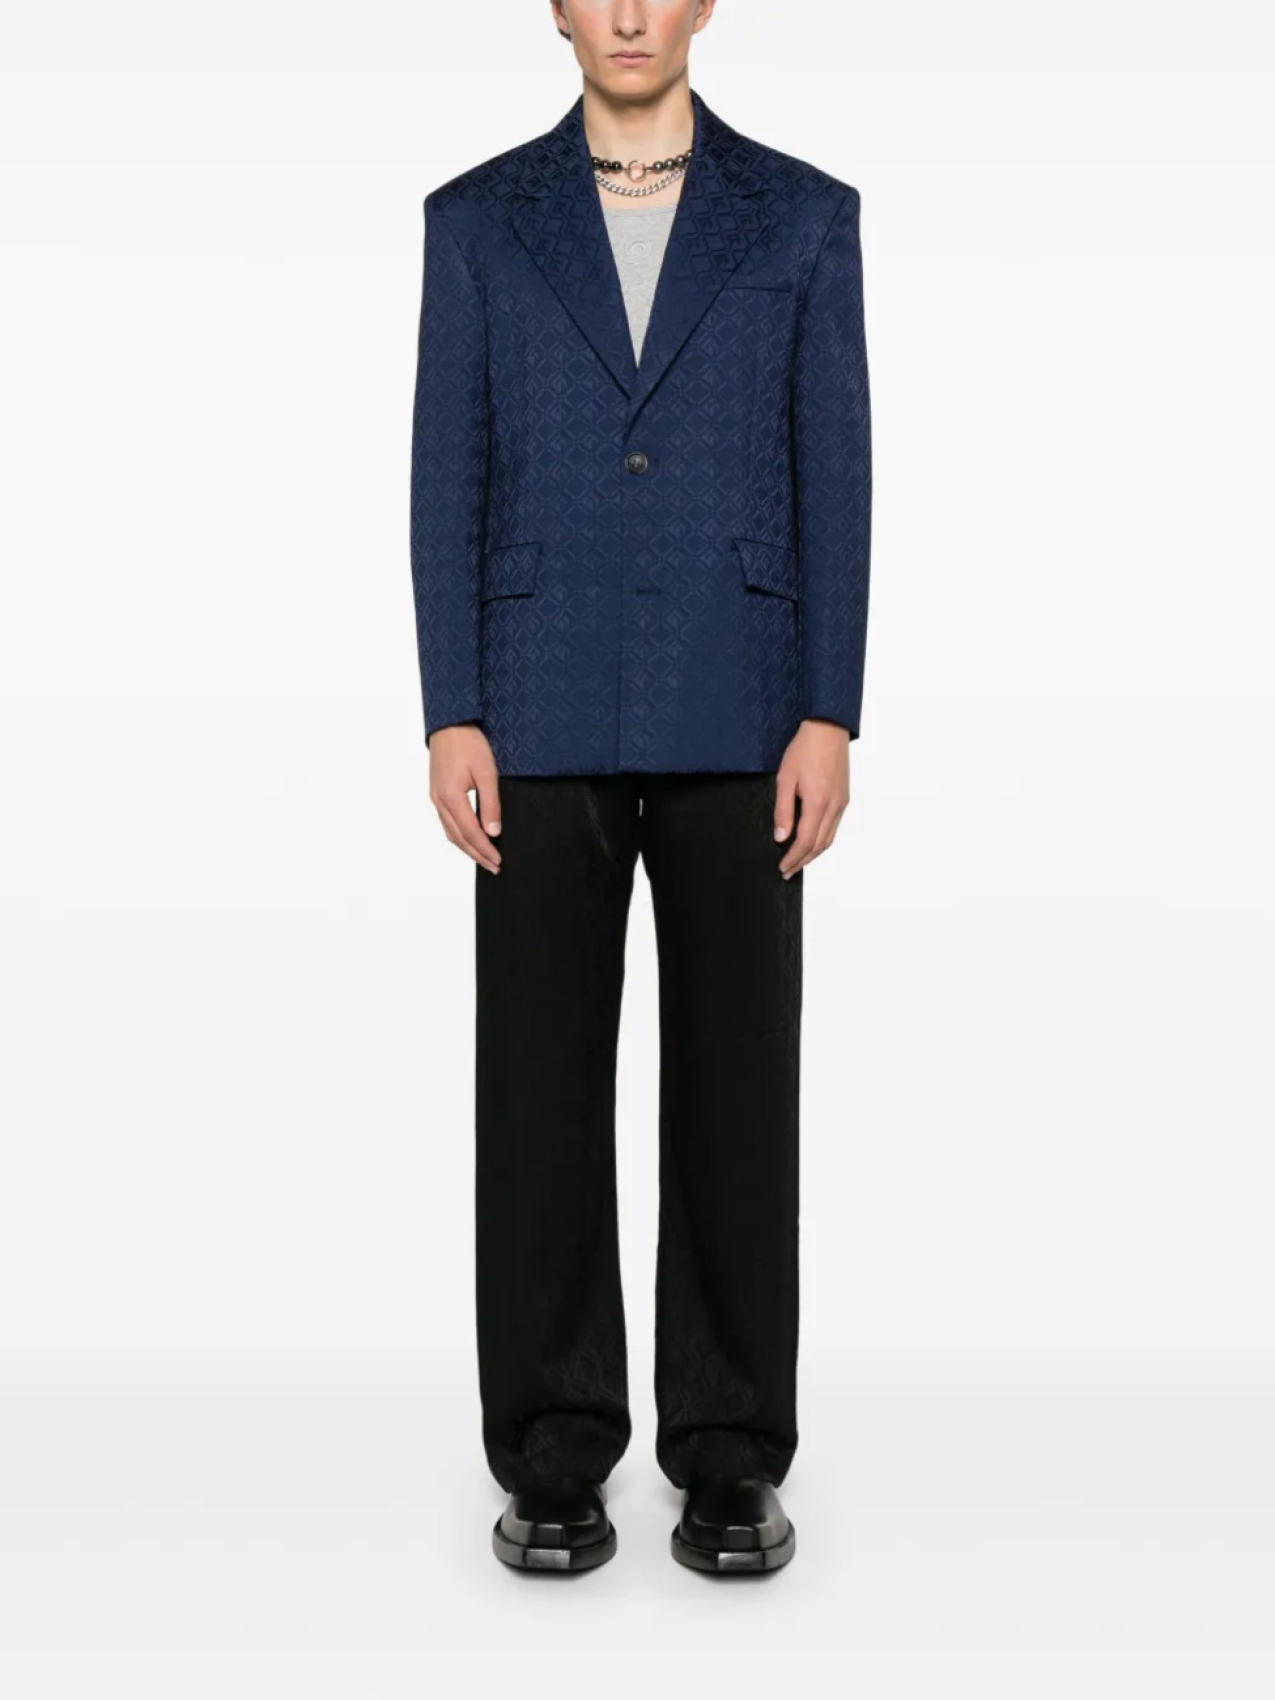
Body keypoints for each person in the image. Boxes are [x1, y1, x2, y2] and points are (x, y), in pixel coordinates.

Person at [408, 0, 871, 1574]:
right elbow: (446, 470)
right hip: (537, 700)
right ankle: (551, 1448)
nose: (626, 14)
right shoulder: (476, 223)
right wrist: (453, 710)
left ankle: (731, 1452)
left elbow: (836, 466)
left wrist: (830, 708)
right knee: (538, 1091)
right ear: (554, 5)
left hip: (744, 702)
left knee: (740, 1089)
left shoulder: (803, 218)